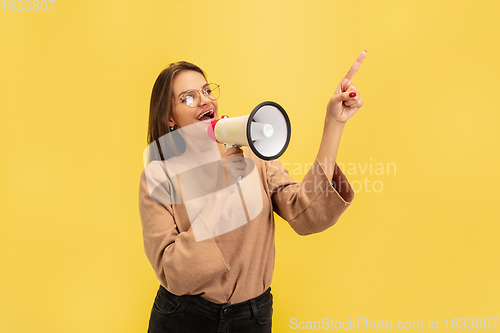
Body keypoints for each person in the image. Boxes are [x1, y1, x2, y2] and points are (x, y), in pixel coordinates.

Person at [139, 51, 366, 333]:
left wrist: (334, 123)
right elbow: (173, 272)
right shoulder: (159, 176)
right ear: (169, 118)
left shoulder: (254, 157)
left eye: (207, 91)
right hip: (184, 318)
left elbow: (308, 213)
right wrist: (222, 192)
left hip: (251, 318)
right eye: (188, 97)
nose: (204, 100)